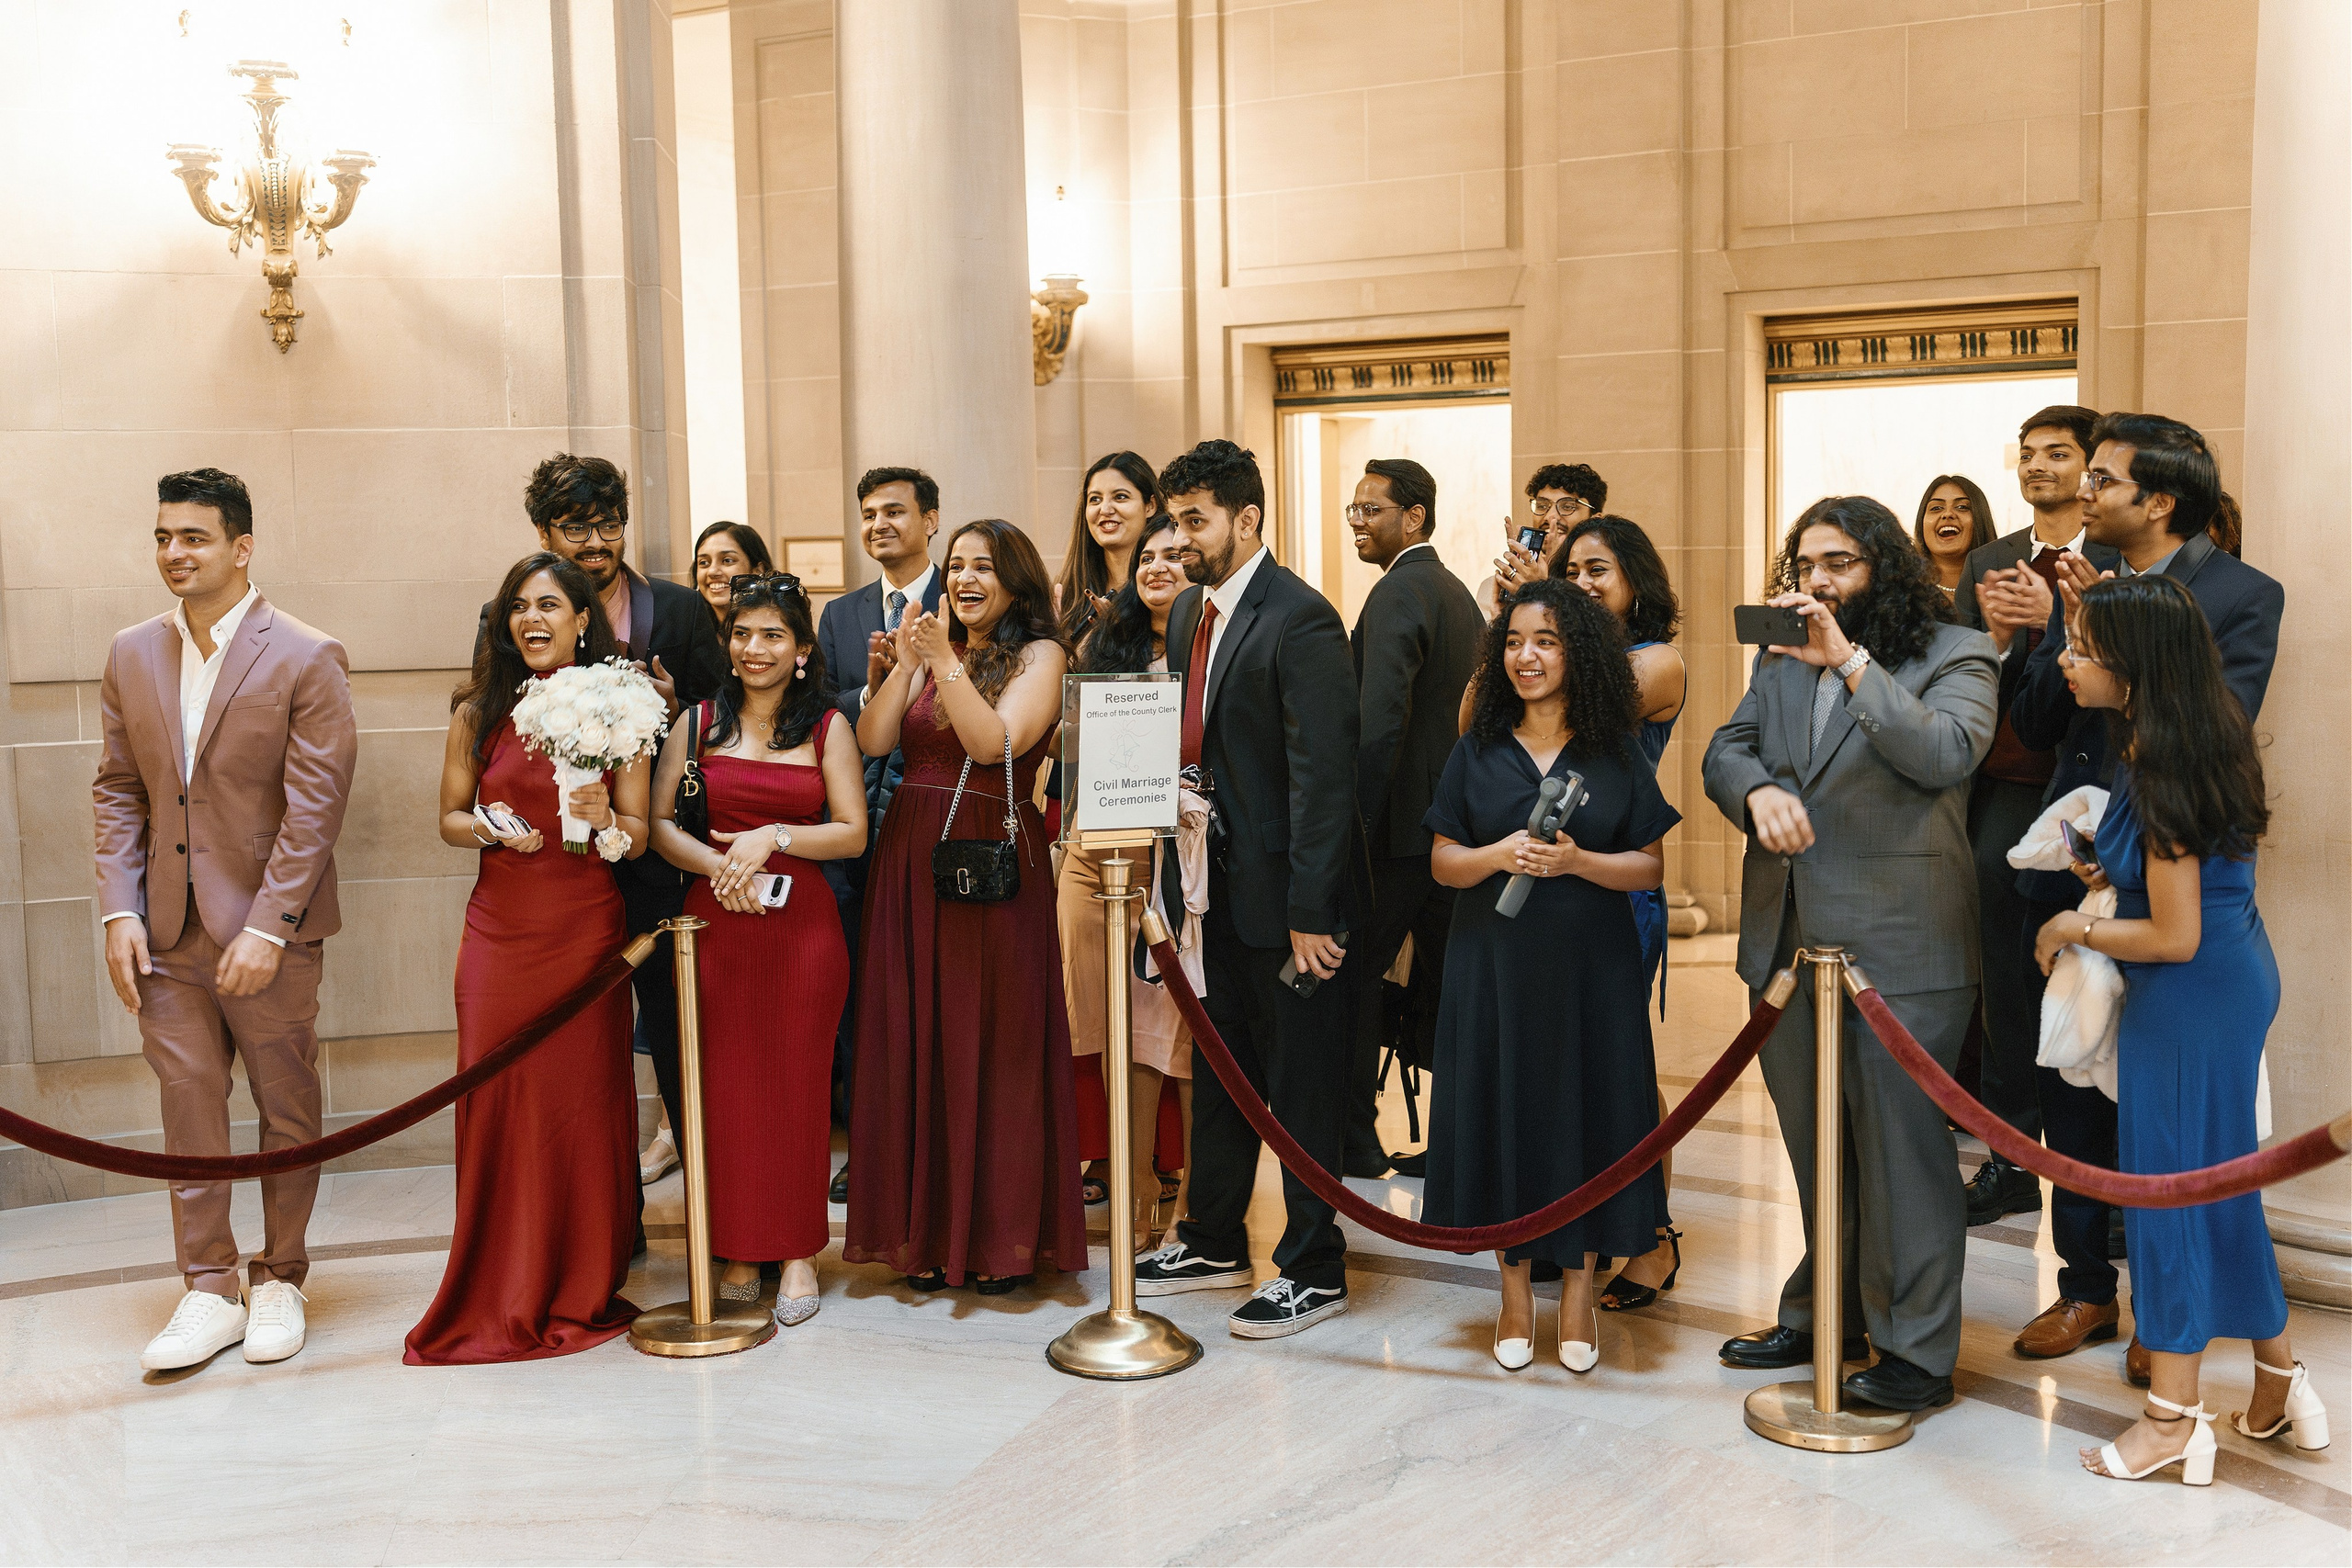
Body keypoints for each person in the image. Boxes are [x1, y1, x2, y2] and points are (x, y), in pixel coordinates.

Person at [1702, 495, 1998, 1413]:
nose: (1818, 581)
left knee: (1902, 1153)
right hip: (1789, 942)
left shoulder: (1958, 651)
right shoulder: (1775, 655)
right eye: (1805, 564)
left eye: (1839, 563)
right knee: (1815, 1144)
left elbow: (1945, 752)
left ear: (1885, 569)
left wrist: (1852, 663)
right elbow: (1727, 746)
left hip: (1900, 949)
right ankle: (1824, 1313)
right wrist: (1753, 793)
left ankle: (1913, 1352)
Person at [2004, 412, 2283, 1370]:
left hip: (2167, 879)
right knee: (2071, 1090)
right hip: (2104, 854)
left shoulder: (2240, 596)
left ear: (2156, 500)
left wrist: (2123, 628)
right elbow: (2040, 717)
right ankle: (2088, 1291)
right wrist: (2058, 634)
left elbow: (2218, 715)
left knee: (2173, 1144)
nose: (2082, 491)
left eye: (2102, 478)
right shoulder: (2072, 585)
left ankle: (2172, 1318)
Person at [2034, 576, 2325, 1483]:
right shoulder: (2186, 734)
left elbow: (2173, 933)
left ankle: (2170, 1418)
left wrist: (2068, 925)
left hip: (2192, 994)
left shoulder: (2159, 758)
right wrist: (2101, 866)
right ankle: (2281, 1381)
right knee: (2219, 1188)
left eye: (2081, 646)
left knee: (2167, 1202)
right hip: (2225, 979)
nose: (2066, 660)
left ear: (2132, 663)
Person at [96, 468, 358, 1373]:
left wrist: (270, 925)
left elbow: (314, 808)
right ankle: (207, 1287)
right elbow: (117, 791)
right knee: (187, 1103)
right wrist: (117, 909)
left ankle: (281, 1275)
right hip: (163, 932)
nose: (176, 553)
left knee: (287, 1107)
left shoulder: (306, 653)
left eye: (195, 538)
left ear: (241, 548)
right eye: (164, 536)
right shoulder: (131, 652)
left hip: (270, 932)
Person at [1132, 440, 1361, 1340]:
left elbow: (1324, 781)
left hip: (1286, 903)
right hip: (1207, 892)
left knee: (1299, 1086)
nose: (1181, 540)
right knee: (1220, 1074)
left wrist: (1311, 914)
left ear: (1247, 518)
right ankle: (1212, 1237)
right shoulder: (1190, 606)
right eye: (1176, 520)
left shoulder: (1300, 618)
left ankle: (1314, 1267)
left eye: (1197, 521)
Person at [1425, 581, 1679, 1372]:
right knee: (1499, 1111)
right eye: (1513, 641)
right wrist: (1499, 853)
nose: (1526, 656)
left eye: (1546, 641)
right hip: (1491, 968)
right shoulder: (1478, 745)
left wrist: (1577, 860)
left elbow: (1649, 862)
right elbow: (1441, 862)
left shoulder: (1614, 750)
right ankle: (1510, 1294)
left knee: (1586, 1116)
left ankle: (1575, 1294)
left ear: (1579, 654)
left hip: (1590, 971)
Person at [407, 553, 651, 1363]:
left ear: (585, 618)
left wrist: (603, 818)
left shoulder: (623, 705)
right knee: (501, 1098)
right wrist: (484, 825)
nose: (532, 618)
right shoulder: (480, 709)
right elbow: (446, 814)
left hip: (584, 929)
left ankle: (577, 1281)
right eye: (518, 605)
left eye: (551, 603)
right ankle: (495, 1280)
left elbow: (636, 835)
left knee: (577, 1106)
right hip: (499, 935)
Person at [845, 518, 1086, 1292]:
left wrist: (942, 660)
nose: (965, 578)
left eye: (983, 566)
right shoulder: (935, 647)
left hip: (989, 853)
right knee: (918, 1037)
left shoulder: (1042, 655)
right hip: (911, 855)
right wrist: (906, 667)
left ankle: (1002, 1239)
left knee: (995, 1042)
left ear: (1015, 578)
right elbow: (875, 737)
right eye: (956, 567)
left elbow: (995, 746)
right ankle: (924, 1234)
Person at [477, 457, 728, 1156]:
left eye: (609, 524)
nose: (596, 541)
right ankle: (608, 1219)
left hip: (653, 865)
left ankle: (711, 1211)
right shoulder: (505, 615)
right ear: (543, 531)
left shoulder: (676, 610)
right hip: (553, 877)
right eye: (576, 527)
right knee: (574, 1050)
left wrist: (680, 710)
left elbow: (728, 711)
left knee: (676, 1037)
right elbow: (494, 720)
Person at [650, 572, 866, 1326]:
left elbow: (851, 830)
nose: (755, 647)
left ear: (802, 649)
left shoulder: (828, 727)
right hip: (715, 924)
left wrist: (772, 837)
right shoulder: (697, 719)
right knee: (728, 1087)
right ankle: (741, 1245)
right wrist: (721, 867)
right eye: (743, 633)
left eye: (773, 634)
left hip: (802, 927)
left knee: (799, 1089)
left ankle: (800, 1248)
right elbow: (660, 826)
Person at [1951, 405, 2100, 1229]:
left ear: (2089, 469)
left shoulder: (2113, 558)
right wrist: (2001, 638)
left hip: (2090, 782)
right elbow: (1967, 672)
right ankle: (2008, 1155)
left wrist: (2061, 623)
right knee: (2002, 968)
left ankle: (2094, 1170)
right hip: (2006, 783)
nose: (2038, 466)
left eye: (2059, 453)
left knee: (2085, 965)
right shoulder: (1992, 556)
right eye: (2029, 454)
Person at [1549, 513, 1689, 1312]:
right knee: (1558, 1063)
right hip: (1546, 879)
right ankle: (1573, 1223)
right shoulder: (1558, 652)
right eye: (1569, 571)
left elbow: (1578, 716)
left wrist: (1534, 624)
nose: (1583, 583)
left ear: (1636, 578)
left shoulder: (1657, 661)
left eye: (1597, 569)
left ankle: (1652, 1234)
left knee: (1619, 1061)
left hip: (1617, 880)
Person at [1343, 458, 1484, 1180]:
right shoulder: (1457, 593)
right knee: (1450, 983)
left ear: (1416, 518)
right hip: (1452, 827)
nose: (1359, 522)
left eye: (1373, 510)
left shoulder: (1401, 590)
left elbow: (1378, 725)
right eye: (1354, 510)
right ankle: (1461, 1140)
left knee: (1357, 975)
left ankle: (1355, 1139)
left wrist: (1353, 826)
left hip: (1397, 829)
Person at [812, 467, 947, 1201]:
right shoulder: (841, 614)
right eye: (868, 513)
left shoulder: (960, 597)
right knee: (868, 998)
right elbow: (824, 707)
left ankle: (939, 1143)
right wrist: (870, 685)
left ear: (931, 519)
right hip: (861, 826)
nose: (878, 525)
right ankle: (872, 1148)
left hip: (939, 816)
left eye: (894, 511)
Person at [1062, 516, 1195, 1247]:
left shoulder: (1212, 643)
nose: (1157, 565)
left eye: (1176, 554)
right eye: (1148, 555)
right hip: (1098, 855)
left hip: (1181, 862)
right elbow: (1067, 745)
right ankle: (1132, 1177)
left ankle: (1194, 1197)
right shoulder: (1102, 642)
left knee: (1181, 1034)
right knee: (1116, 1028)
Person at [1054, 451, 1164, 641]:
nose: (1105, 510)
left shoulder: (1169, 580)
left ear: (1150, 506)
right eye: (1095, 499)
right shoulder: (1067, 595)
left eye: (1120, 497)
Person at [1476, 462, 1607, 619]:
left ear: (1594, 520)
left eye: (1567, 506)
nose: (1550, 516)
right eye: (1542, 505)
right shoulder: (1495, 587)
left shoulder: (1595, 584)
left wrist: (1544, 587)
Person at [1912, 475, 1997, 595]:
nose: (1947, 514)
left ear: (1981, 520)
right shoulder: (1901, 588)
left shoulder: (2006, 586)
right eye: (1936, 508)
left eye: (1962, 507)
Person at [689, 522, 775, 619]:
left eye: (727, 560)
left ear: (758, 570)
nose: (712, 571)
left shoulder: (779, 628)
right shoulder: (684, 628)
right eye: (704, 562)